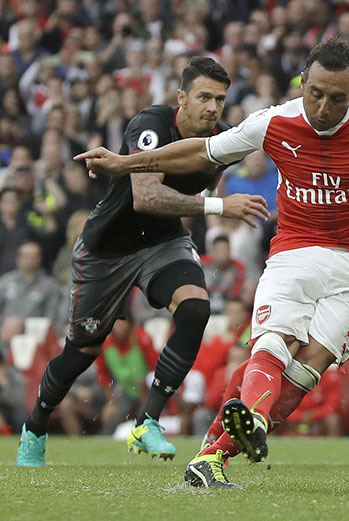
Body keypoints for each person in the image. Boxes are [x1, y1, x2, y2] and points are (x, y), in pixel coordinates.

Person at [76, 38, 349, 489]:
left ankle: (218, 448)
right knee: (272, 344)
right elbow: (204, 151)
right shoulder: (274, 121)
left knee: (307, 366)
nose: (325, 107)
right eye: (316, 94)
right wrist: (127, 163)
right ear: (303, 83)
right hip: (294, 252)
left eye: (338, 98)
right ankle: (242, 433)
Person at [16, 57, 270, 467]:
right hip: (106, 250)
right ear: (181, 98)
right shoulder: (150, 126)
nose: (212, 107)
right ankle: (36, 425)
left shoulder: (222, 142)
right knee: (83, 349)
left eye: (220, 100)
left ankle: (148, 421)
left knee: (195, 310)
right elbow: (145, 197)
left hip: (163, 242)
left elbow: (225, 169)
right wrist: (220, 205)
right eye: (204, 97)